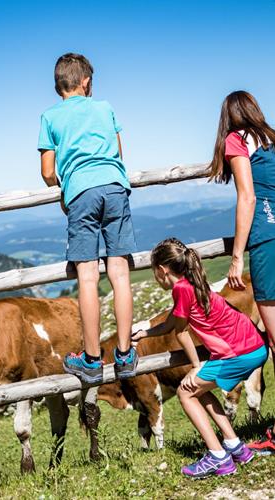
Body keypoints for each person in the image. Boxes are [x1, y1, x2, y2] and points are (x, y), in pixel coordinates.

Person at [37, 53, 138, 383]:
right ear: (86, 81)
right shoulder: (104, 107)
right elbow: (119, 153)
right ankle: (125, 355)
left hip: (81, 193)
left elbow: (48, 172)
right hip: (114, 186)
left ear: (58, 86)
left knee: (88, 278)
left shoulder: (50, 117)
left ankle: (93, 360)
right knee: (120, 272)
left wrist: (64, 186)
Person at [132, 238, 268, 478]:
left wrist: (195, 367)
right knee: (199, 390)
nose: (155, 277)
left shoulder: (180, 289)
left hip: (239, 353)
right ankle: (235, 446)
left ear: (162, 270)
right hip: (252, 347)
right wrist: (145, 333)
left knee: (186, 391)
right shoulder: (191, 284)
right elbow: (172, 323)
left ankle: (218, 457)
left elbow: (181, 332)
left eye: (154, 272)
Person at [209, 90, 275, 455]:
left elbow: (247, 197)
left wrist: (237, 256)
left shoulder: (238, 140)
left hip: (268, 241)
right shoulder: (273, 138)